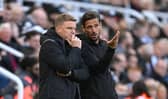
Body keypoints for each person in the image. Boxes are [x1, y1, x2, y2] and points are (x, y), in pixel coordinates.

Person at [39, 13, 89, 99]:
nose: (73, 31)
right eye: (69, 28)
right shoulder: (49, 44)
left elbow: (85, 73)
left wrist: (71, 74)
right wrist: (76, 48)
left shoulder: (70, 44)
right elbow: (65, 66)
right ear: (58, 28)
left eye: (74, 28)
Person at [78, 11, 120, 99]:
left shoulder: (104, 45)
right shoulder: (81, 45)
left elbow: (106, 72)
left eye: (96, 26)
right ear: (83, 28)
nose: (93, 30)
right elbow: (98, 69)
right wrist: (111, 49)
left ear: (100, 25)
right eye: (89, 27)